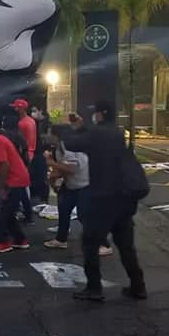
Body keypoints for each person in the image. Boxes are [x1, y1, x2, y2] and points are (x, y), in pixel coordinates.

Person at [63, 100, 147, 302]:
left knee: (90, 243)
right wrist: (85, 127)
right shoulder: (116, 132)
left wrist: (71, 127)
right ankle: (138, 286)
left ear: (99, 114)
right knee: (126, 246)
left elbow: (72, 143)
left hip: (102, 198)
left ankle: (94, 287)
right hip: (124, 198)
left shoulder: (96, 134)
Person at [43, 124, 112, 254]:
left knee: (84, 217)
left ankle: (104, 244)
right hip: (72, 185)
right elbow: (64, 168)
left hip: (85, 185)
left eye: (50, 133)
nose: (48, 136)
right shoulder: (60, 147)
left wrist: (51, 163)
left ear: (57, 136)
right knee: (63, 210)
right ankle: (61, 239)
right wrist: (55, 177)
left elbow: (72, 169)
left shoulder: (70, 148)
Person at [0, 115, 32, 253]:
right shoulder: (1, 139)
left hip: (15, 179)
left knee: (2, 212)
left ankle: (4, 242)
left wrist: (1, 188)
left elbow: (4, 165)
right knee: (8, 212)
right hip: (19, 177)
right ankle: (20, 240)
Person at [9, 98, 36, 223]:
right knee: (23, 185)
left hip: (24, 155)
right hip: (28, 154)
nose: (14, 109)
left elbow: (22, 142)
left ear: (21, 108)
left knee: (22, 185)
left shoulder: (23, 123)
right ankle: (26, 211)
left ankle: (23, 211)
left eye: (16, 107)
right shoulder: (31, 121)